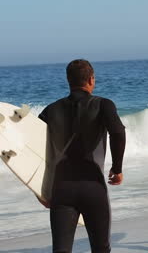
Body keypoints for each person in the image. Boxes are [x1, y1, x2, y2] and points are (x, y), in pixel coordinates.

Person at [38, 59, 126, 253]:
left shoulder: (50, 110)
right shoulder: (103, 105)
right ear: (92, 79)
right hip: (92, 186)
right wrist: (117, 169)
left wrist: (41, 188)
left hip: (61, 189)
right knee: (100, 248)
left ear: (68, 80)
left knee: (61, 250)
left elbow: (36, 148)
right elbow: (118, 133)